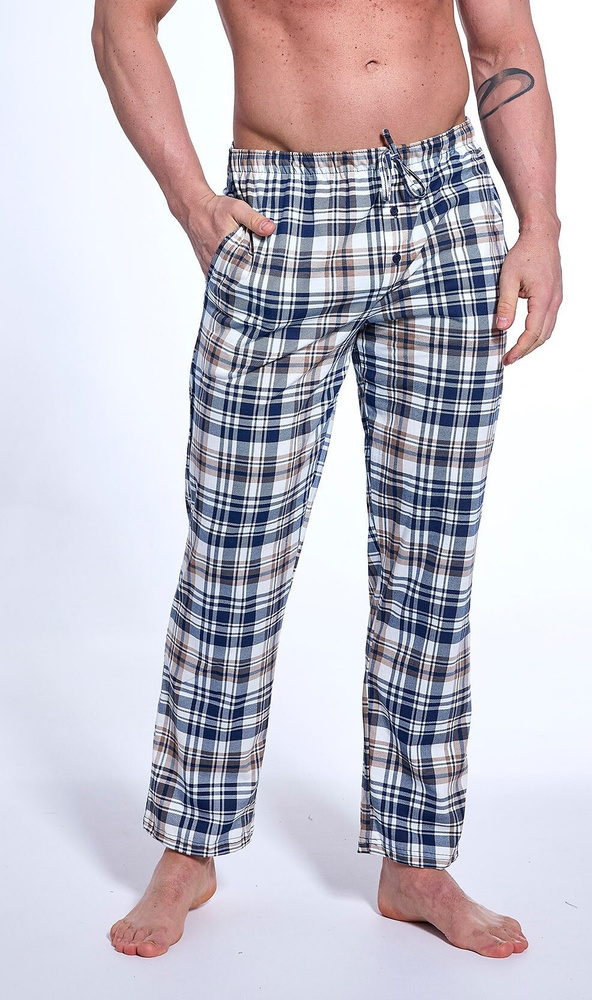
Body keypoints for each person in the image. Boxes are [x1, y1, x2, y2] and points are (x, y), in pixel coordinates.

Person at [92, 0, 562, 960]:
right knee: (235, 556)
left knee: (431, 559)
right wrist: (189, 198)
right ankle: (189, 848)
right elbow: (119, 23)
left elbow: (502, 42)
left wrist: (539, 226)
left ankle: (416, 862)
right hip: (285, 212)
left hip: (448, 205)